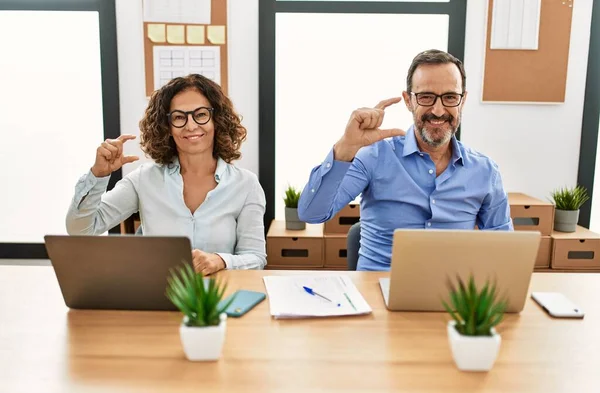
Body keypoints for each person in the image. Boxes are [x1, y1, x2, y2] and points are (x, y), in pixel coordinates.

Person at [298, 49, 513, 272]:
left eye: (450, 97)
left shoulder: (485, 171)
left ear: (462, 100)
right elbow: (312, 213)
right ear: (408, 100)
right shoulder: (374, 156)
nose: (438, 110)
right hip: (377, 294)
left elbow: (504, 252)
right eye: (426, 97)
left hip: (450, 299)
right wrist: (345, 147)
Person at [66, 74, 266, 274]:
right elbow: (81, 230)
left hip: (219, 299)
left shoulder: (246, 184)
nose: (191, 125)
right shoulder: (144, 179)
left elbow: (256, 258)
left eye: (201, 114)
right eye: (179, 117)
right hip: (158, 297)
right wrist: (98, 175)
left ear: (216, 120)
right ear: (167, 127)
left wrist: (221, 261)